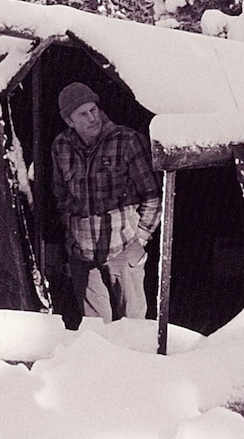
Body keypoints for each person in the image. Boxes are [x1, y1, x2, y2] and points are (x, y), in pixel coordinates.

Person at [51, 82, 161, 323]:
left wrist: (140, 239)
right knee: (96, 331)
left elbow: (152, 195)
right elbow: (61, 196)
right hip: (84, 255)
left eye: (93, 109)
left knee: (132, 327)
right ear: (70, 121)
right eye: (83, 114)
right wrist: (72, 235)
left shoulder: (128, 141)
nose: (92, 118)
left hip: (123, 249)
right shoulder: (61, 147)